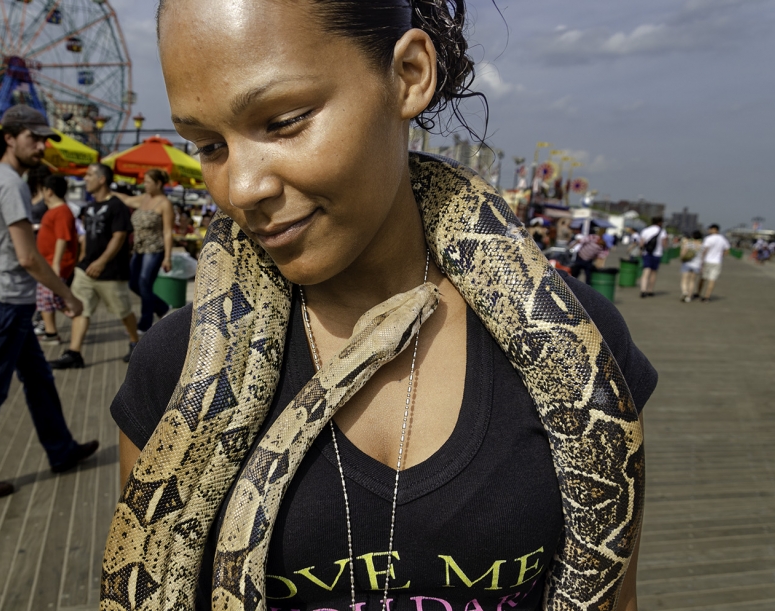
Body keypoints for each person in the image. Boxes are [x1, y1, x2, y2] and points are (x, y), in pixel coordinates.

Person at [101, 2, 657, 610]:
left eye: (284, 120)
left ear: (411, 73)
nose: (239, 190)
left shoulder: (583, 336)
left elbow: (617, 598)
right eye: (207, 145)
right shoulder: (175, 367)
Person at [0, 105, 98, 501]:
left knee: (39, 379)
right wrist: (68, 296)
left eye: (44, 138)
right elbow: (27, 257)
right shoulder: (10, 184)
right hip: (7, 302)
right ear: (9, 137)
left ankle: (61, 450)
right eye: (34, 137)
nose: (42, 145)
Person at [49, 163, 138, 369]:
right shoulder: (88, 207)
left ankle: (135, 342)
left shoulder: (117, 206)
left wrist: (101, 261)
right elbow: (86, 238)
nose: (85, 179)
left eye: (89, 175)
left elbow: (120, 236)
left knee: (123, 311)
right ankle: (74, 353)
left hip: (111, 271)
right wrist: (82, 261)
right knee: (82, 309)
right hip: (86, 269)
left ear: (102, 179)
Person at [113, 168, 174, 332]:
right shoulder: (145, 198)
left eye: (147, 182)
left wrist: (167, 257)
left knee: (144, 283)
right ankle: (161, 307)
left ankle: (145, 323)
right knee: (134, 284)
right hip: (139, 249)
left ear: (158, 183)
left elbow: (167, 232)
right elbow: (126, 199)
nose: (144, 185)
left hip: (154, 249)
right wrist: (109, 191)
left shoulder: (164, 203)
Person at [35, 175, 79, 344]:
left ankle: (76, 314)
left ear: (49, 191)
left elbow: (62, 238)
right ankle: (51, 331)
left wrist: (55, 264)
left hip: (54, 264)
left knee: (50, 298)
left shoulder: (61, 211)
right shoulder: (55, 210)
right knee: (46, 299)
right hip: (47, 263)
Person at [698, 223, 731, 303]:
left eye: (710, 229)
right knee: (712, 280)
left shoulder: (708, 239)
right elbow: (727, 250)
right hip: (717, 262)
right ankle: (707, 297)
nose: (709, 230)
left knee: (703, 278)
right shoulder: (723, 239)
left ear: (714, 229)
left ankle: (698, 293)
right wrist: (721, 255)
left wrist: (701, 259)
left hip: (707, 261)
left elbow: (705, 250)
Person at [638, 216, 667, 298]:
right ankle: (650, 290)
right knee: (653, 272)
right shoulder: (662, 231)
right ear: (660, 222)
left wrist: (641, 251)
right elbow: (664, 244)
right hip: (657, 254)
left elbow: (641, 243)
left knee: (645, 272)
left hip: (647, 253)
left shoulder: (646, 230)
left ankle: (643, 290)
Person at [679, 230, 704, 302]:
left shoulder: (689, 244)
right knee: (692, 281)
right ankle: (689, 297)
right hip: (697, 265)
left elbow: (683, 252)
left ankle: (684, 292)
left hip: (687, 263)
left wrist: (681, 259)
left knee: (684, 279)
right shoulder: (702, 245)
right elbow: (703, 257)